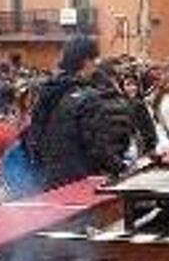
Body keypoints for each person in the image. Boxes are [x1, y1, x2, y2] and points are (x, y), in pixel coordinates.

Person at [23, 36, 134, 191]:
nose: (95, 66)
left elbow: (33, 136)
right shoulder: (89, 98)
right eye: (94, 60)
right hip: (80, 182)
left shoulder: (46, 92)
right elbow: (97, 148)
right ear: (86, 61)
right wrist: (121, 167)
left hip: (48, 181)